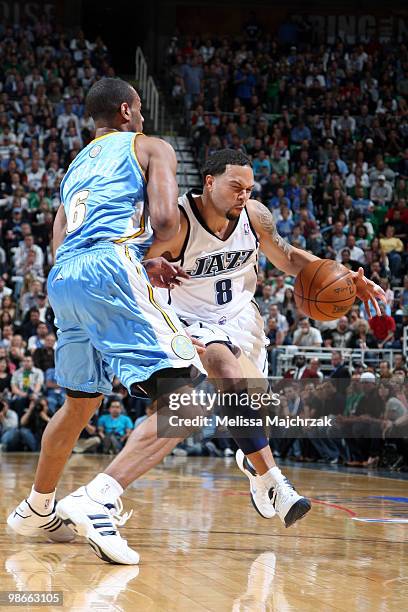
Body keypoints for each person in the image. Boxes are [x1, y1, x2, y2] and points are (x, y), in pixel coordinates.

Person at [8, 77, 206, 563]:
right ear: (125, 110)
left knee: (80, 403)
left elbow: (61, 233)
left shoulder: (75, 166)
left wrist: (131, 262)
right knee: (186, 402)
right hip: (110, 267)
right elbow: (164, 222)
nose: (142, 116)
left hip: (66, 277)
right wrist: (145, 259)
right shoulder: (151, 147)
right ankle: (99, 497)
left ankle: (37, 507)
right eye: (139, 109)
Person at [147, 149, 385, 529]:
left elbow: (288, 257)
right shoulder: (177, 222)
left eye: (249, 188)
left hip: (242, 318)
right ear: (209, 182)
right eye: (235, 186)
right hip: (191, 319)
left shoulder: (254, 215)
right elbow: (136, 268)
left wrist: (346, 276)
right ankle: (276, 483)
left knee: (258, 412)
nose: (243, 195)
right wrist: (157, 317)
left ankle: (256, 471)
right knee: (225, 371)